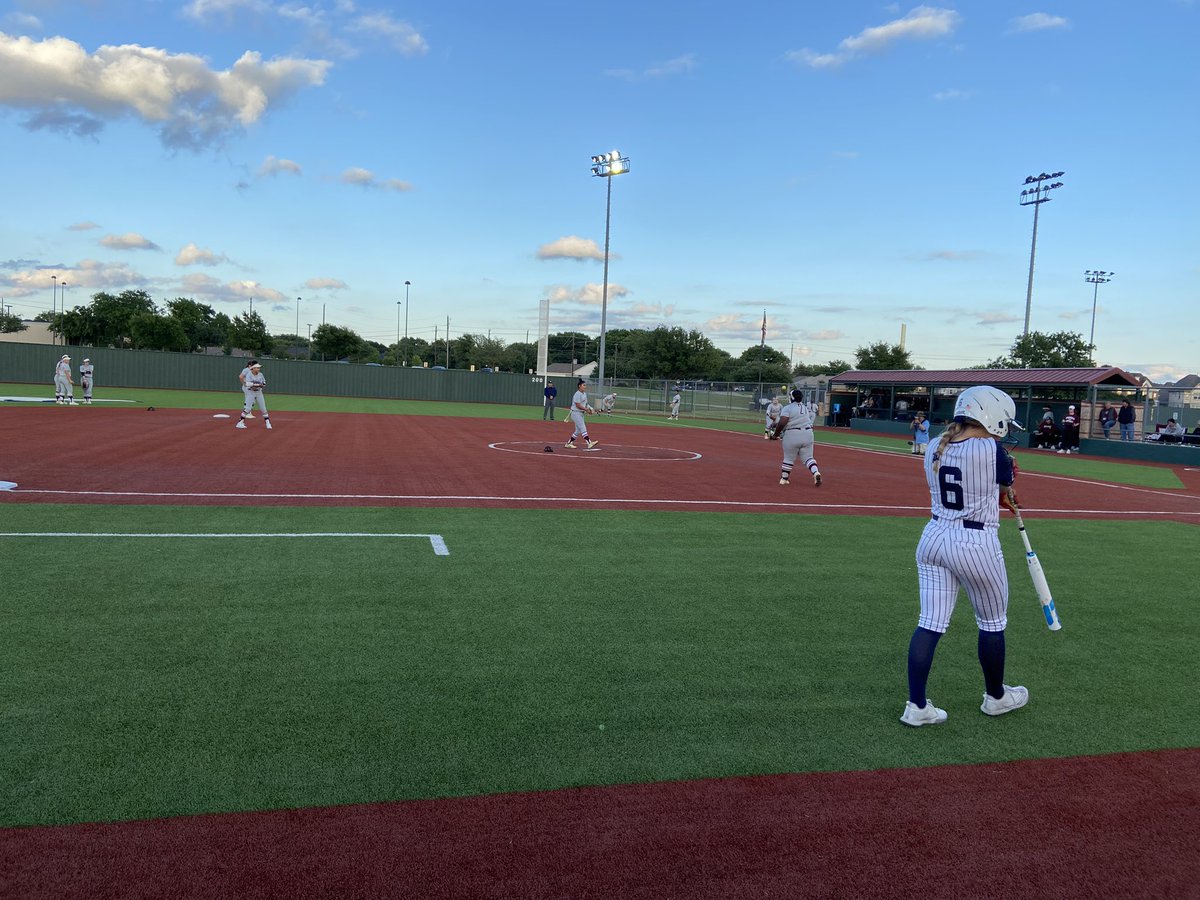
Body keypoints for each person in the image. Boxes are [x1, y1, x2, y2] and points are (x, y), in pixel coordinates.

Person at [900, 385, 1028, 727]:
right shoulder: (992, 449)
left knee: (929, 623)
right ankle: (996, 697)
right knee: (992, 622)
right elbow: (1004, 483)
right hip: (975, 543)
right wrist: (1006, 493)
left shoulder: (934, 447)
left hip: (933, 537)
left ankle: (917, 706)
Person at [772, 389, 821, 487]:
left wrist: (775, 434)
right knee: (808, 458)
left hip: (793, 434)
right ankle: (816, 472)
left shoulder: (788, 408)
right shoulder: (805, 408)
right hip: (808, 433)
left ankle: (784, 479)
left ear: (791, 397)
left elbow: (782, 422)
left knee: (789, 458)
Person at [236, 361, 272, 429]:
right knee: (247, 408)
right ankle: (240, 422)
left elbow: (264, 383)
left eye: (259, 368)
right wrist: (258, 384)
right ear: (253, 368)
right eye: (257, 368)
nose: (258, 369)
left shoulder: (261, 375)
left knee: (263, 408)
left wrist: (257, 385)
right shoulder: (249, 375)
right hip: (251, 393)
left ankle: (268, 423)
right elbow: (249, 385)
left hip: (259, 393)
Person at [566, 378, 596, 449]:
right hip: (575, 413)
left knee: (578, 430)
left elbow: (586, 404)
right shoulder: (577, 394)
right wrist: (586, 410)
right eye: (584, 385)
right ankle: (589, 443)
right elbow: (578, 405)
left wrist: (591, 409)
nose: (585, 386)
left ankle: (569, 443)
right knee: (583, 427)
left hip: (580, 413)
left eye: (585, 385)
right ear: (579, 386)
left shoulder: (584, 394)